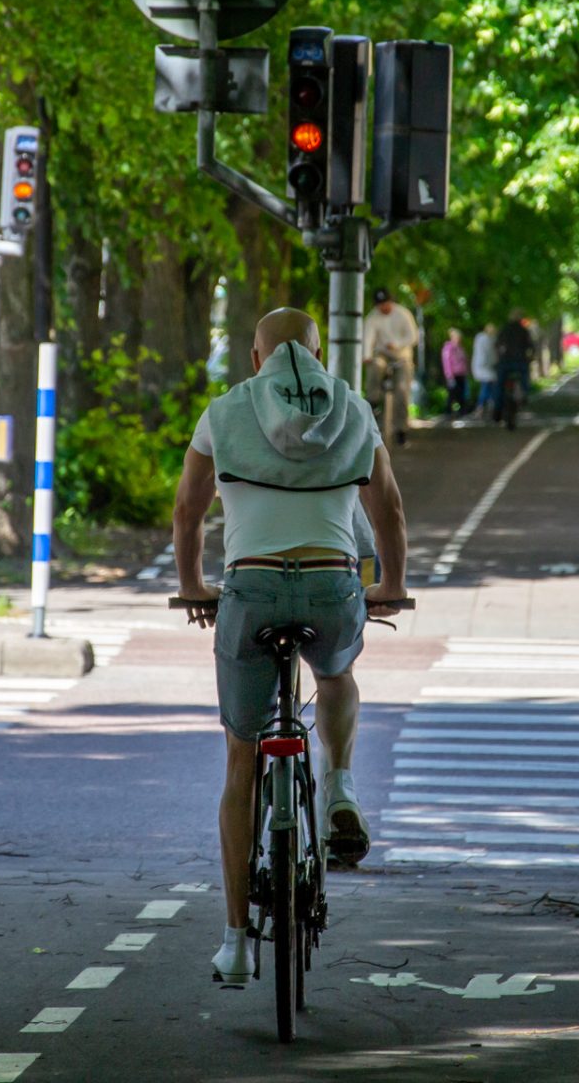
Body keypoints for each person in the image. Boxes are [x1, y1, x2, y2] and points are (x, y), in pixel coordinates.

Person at [171, 307, 410, 984]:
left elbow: (189, 510)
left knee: (240, 760)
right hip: (334, 588)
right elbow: (388, 508)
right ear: (318, 355)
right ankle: (337, 786)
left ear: (256, 359)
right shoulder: (354, 410)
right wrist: (389, 584)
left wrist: (195, 587)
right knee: (336, 673)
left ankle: (237, 942)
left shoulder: (223, 413)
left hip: (250, 594)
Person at [362, 287, 419, 446]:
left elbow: (413, 336)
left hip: (402, 356)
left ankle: (401, 429)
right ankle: (372, 400)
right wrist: (366, 355)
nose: (383, 307)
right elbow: (368, 336)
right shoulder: (372, 317)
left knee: (401, 389)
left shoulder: (403, 314)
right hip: (382, 353)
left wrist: (398, 344)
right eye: (380, 305)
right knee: (376, 365)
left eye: (385, 303)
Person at [494, 310, 536, 429]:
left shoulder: (504, 329)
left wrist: (499, 357)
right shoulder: (524, 330)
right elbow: (531, 347)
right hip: (520, 362)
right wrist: (530, 358)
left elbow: (497, 345)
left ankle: (497, 410)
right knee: (524, 379)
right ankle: (524, 396)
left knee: (499, 385)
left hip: (505, 362)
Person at [470, 323, 498, 420]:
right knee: (487, 389)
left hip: (482, 367)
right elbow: (491, 355)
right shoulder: (488, 340)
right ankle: (484, 408)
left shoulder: (480, 339)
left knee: (487, 388)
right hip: (486, 368)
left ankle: (484, 408)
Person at [440, 327, 469, 416]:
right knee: (452, 393)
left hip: (461, 374)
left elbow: (464, 361)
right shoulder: (448, 348)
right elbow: (447, 362)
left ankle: (462, 411)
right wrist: (449, 375)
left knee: (461, 394)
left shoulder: (460, 348)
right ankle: (448, 411)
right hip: (453, 375)